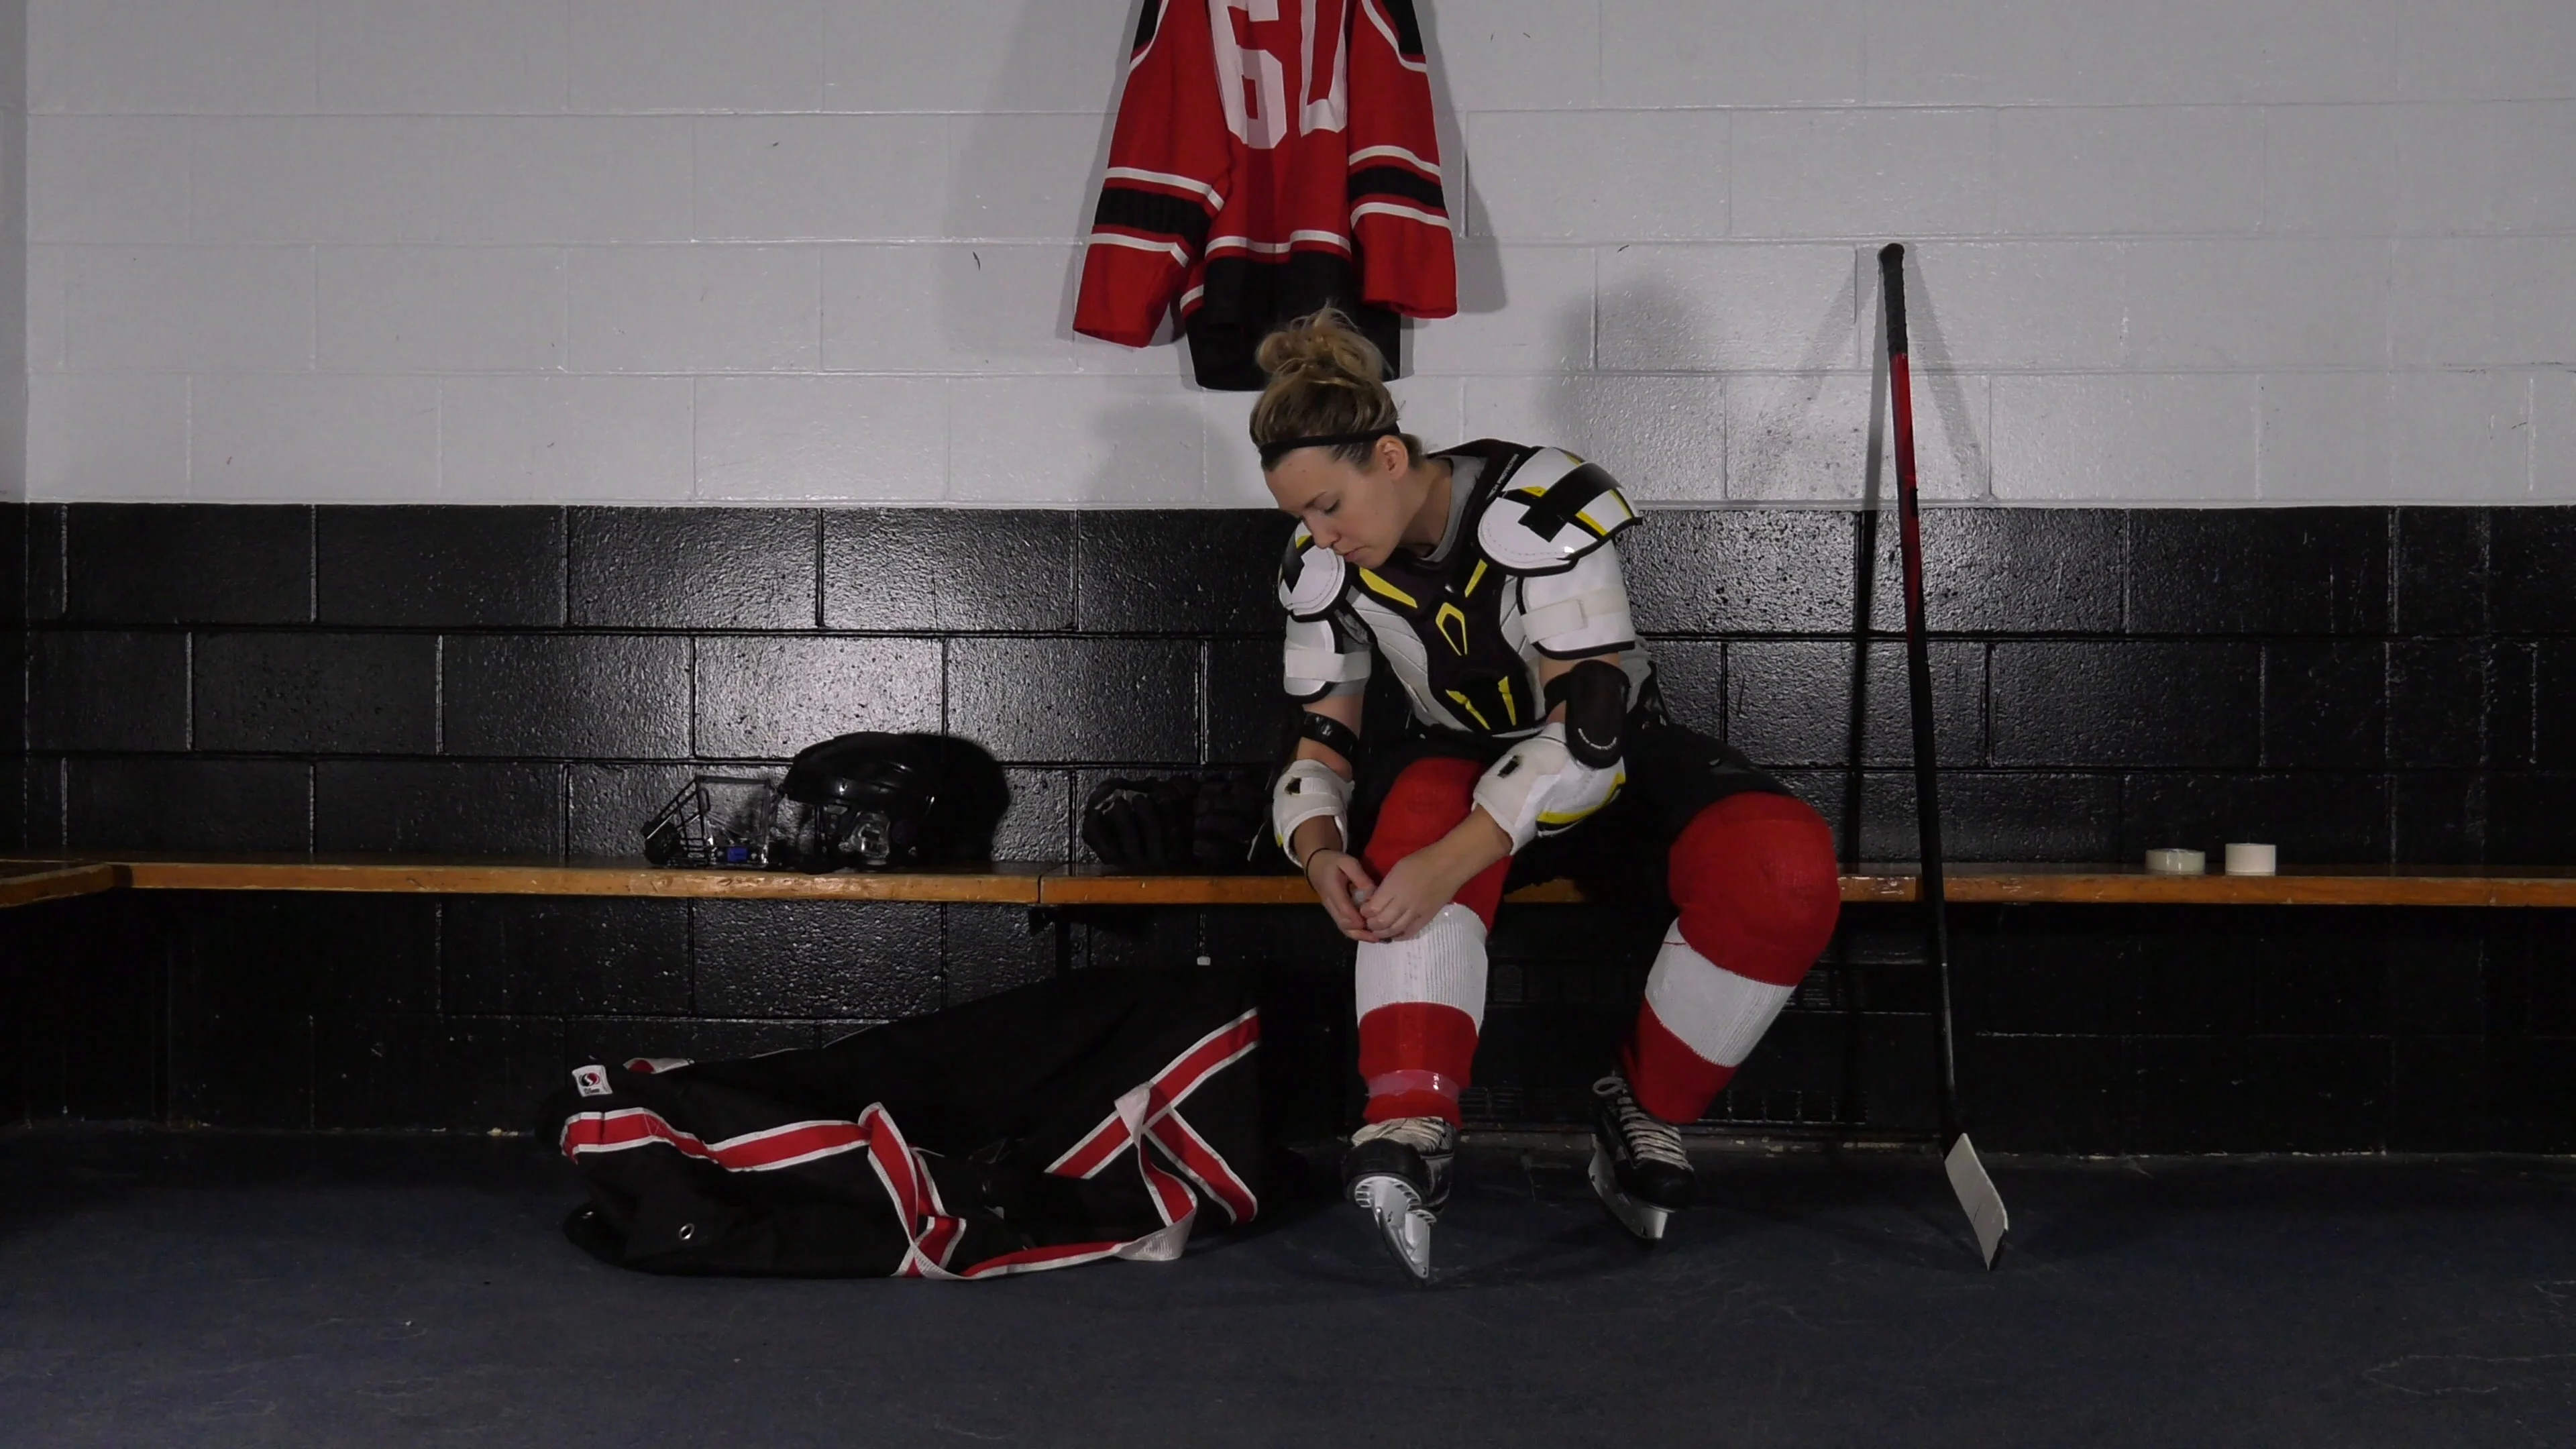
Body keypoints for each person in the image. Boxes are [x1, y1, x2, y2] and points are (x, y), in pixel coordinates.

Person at [1254, 308, 1843, 1282]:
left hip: (1608, 766)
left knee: (1781, 870)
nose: (1318, 534)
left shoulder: (1537, 502)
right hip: (1460, 758)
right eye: (1300, 517)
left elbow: (1592, 730)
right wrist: (1319, 850)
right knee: (1408, 827)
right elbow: (1321, 740)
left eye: (1328, 505)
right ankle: (1409, 1119)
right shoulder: (1323, 568)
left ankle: (1644, 1108)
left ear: (1391, 457)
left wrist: (1450, 861)